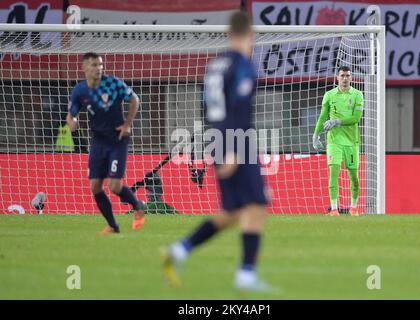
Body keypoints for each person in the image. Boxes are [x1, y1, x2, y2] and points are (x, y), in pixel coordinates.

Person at [161, 11, 270, 292]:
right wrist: (234, 148)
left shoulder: (214, 65)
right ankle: (246, 275)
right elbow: (238, 108)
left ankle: (179, 250)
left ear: (228, 33)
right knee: (257, 203)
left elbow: (207, 108)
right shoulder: (242, 65)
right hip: (238, 139)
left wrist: (218, 144)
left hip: (218, 138)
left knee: (233, 210)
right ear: (250, 34)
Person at [66, 52, 146, 234]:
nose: (99, 68)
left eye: (100, 64)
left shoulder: (113, 83)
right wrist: (72, 121)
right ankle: (113, 225)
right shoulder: (80, 90)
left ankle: (138, 205)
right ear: (84, 68)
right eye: (94, 65)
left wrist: (127, 124)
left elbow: (134, 99)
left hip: (117, 140)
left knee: (114, 186)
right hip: (98, 142)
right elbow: (72, 113)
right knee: (95, 186)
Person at [312, 66, 364, 217]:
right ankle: (334, 209)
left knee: (353, 177)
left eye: (348, 75)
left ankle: (353, 208)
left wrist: (336, 121)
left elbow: (356, 118)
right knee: (333, 173)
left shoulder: (357, 95)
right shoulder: (329, 95)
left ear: (351, 78)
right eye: (342, 75)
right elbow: (322, 116)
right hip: (334, 141)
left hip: (351, 141)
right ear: (337, 78)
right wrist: (316, 135)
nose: (345, 78)